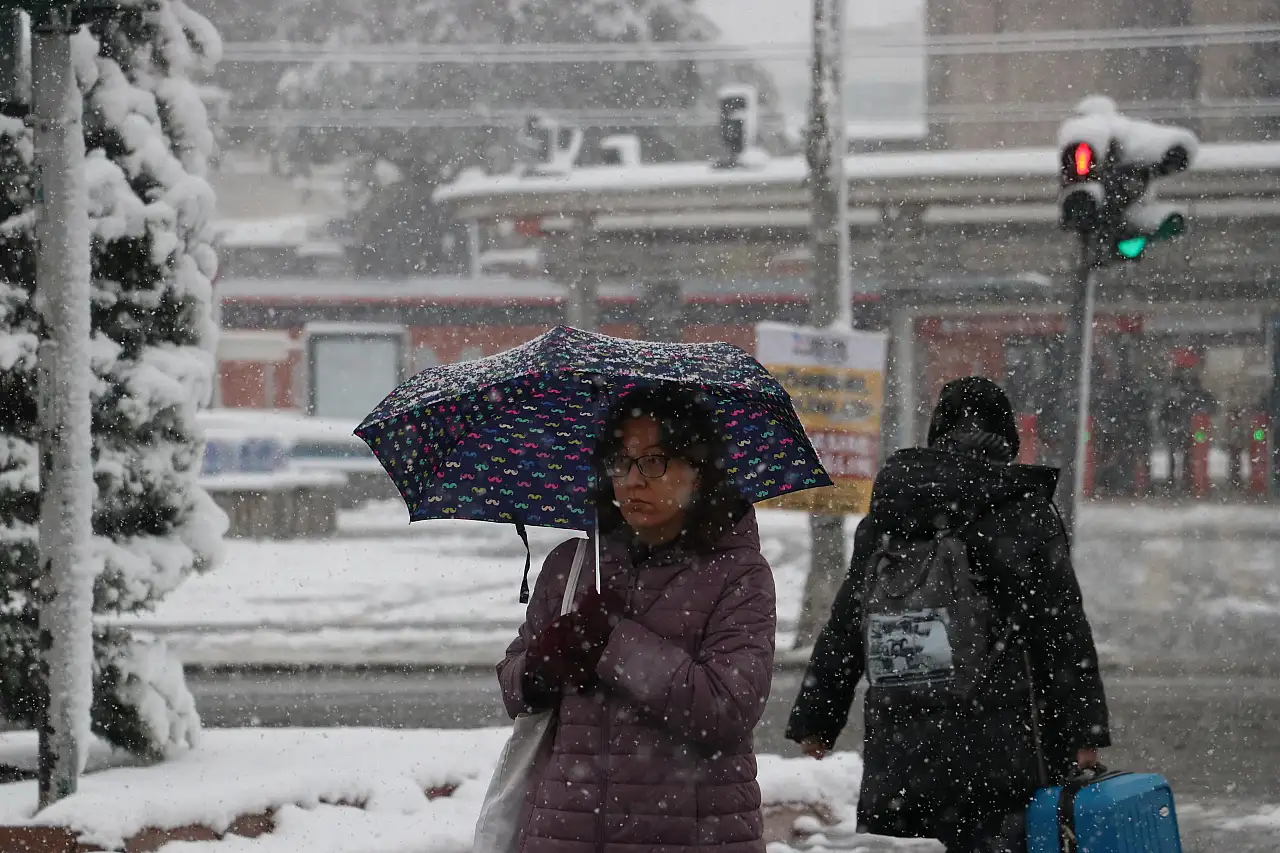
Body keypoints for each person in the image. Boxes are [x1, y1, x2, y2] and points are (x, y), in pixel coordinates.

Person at [785, 376, 1111, 853]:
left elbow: (849, 621)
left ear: (937, 431)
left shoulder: (892, 512)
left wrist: (818, 719)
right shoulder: (1021, 509)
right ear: (1006, 437)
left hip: (909, 733)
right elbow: (1062, 630)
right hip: (1005, 736)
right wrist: (1085, 731)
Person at [497, 386, 777, 853]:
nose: (631, 480)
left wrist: (614, 643)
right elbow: (511, 686)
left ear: (700, 472)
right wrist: (543, 667)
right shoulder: (573, 563)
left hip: (690, 834)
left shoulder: (737, 572)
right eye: (620, 463)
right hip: (566, 830)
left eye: (654, 461)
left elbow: (727, 707)